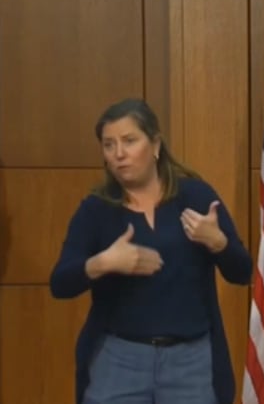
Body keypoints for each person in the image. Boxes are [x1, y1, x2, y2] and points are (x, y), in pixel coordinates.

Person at [49, 98, 253, 404]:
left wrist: (219, 243)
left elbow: (243, 272)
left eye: (129, 141)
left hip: (190, 361)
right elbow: (60, 283)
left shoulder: (196, 196)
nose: (118, 154)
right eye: (108, 145)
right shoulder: (96, 209)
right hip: (118, 359)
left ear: (155, 145)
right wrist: (102, 263)